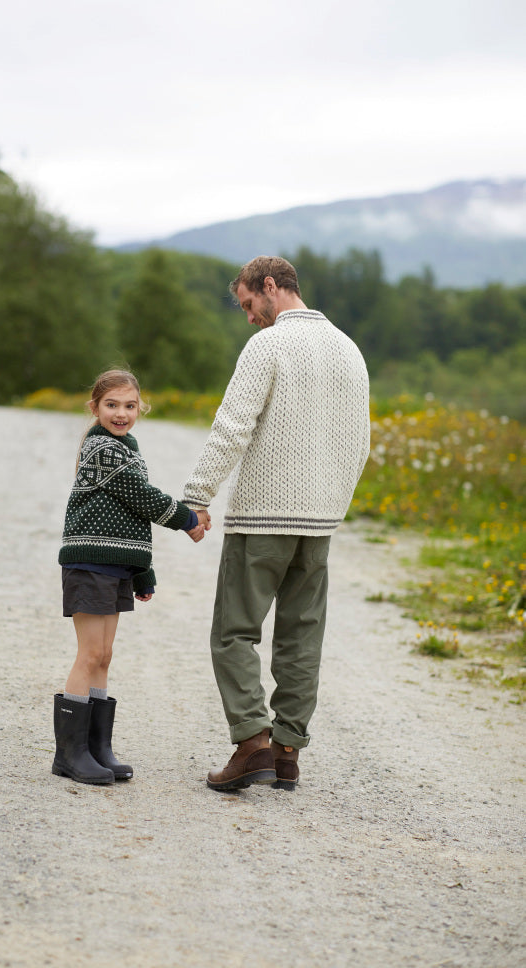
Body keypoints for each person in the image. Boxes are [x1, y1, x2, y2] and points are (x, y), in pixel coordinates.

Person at [183, 256, 370, 791]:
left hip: (263, 517)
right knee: (301, 638)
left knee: (233, 632)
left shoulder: (267, 346)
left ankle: (253, 744)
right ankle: (287, 752)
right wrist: (332, 504)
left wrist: (197, 495)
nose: (248, 317)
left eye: (248, 304)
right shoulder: (349, 351)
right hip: (319, 526)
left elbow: (232, 426)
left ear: (270, 287)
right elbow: (361, 445)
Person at [53, 368, 206, 786]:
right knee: (89, 655)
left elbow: (130, 522)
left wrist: (143, 573)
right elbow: (142, 499)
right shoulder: (101, 448)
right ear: (95, 408)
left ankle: (97, 746)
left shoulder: (129, 447)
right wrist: (188, 518)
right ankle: (69, 753)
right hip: (89, 562)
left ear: (141, 408)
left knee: (105, 655)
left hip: (116, 564)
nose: (121, 413)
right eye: (112, 405)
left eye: (129, 406)